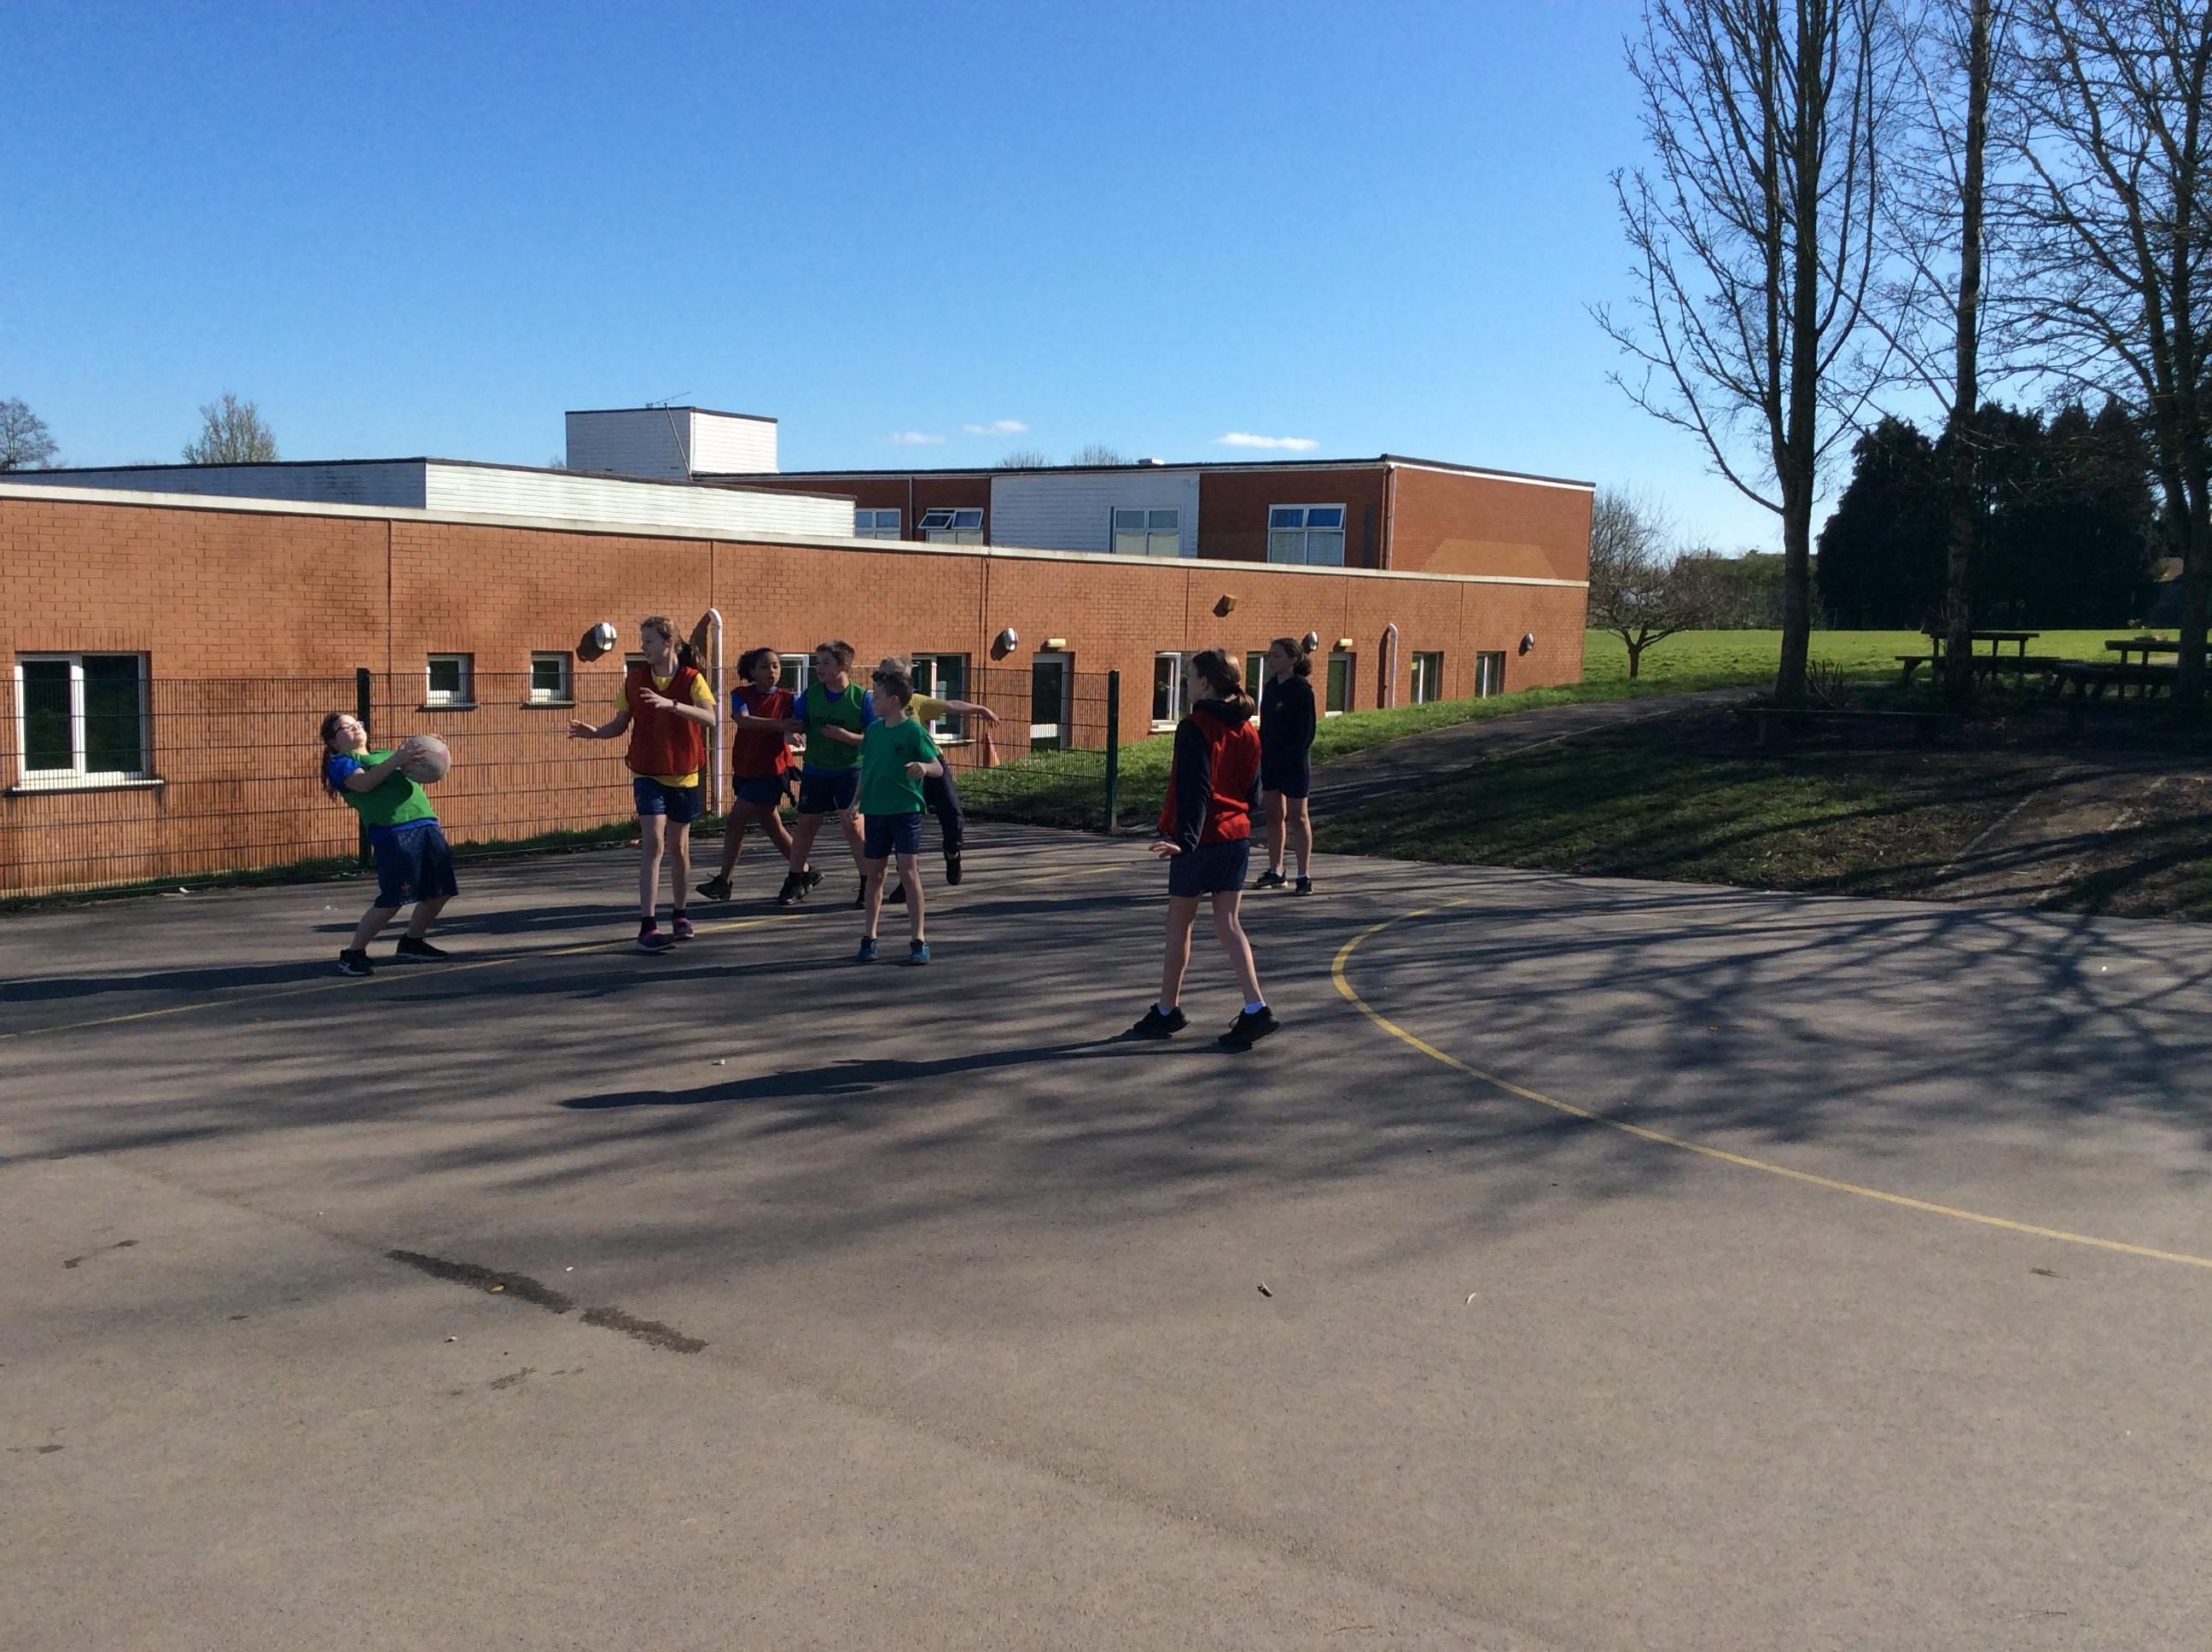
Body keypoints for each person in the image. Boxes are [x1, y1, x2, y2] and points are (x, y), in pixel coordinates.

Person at [1129, 649, 1278, 1049]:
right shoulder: (1248, 729)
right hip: (1236, 836)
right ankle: (1255, 1006)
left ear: (1206, 683)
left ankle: (1167, 1010)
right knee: (1228, 923)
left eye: (1190, 676)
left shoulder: (1195, 727)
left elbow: (1194, 787)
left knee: (1179, 923)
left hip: (1202, 841)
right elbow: (1253, 792)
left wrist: (1184, 840)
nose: (1187, 683)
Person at [569, 615, 718, 953]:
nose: (643, 647)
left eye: (649, 641)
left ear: (668, 643)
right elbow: (620, 723)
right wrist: (596, 733)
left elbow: (710, 718)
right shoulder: (634, 680)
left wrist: (672, 705)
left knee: (679, 847)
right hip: (647, 772)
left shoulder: (692, 679)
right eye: (642, 641)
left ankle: (680, 913)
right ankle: (647, 926)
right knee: (653, 843)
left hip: (683, 774)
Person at [734, 639, 874, 908]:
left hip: (849, 770)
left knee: (854, 826)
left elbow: (875, 739)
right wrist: (791, 734)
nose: (819, 667)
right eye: (817, 662)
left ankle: (868, 882)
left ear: (844, 666)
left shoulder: (862, 698)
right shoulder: (811, 695)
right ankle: (795, 878)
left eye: (826, 662)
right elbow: (795, 725)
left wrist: (847, 737)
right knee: (807, 825)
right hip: (817, 769)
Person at [320, 713, 457, 976]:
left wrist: (428, 749)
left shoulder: (384, 754)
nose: (355, 727)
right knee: (394, 898)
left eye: (357, 723)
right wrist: (398, 758)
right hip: (394, 834)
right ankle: (353, 954)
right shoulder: (342, 763)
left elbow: (418, 765)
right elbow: (363, 784)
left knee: (440, 891)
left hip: (426, 825)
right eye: (345, 727)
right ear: (333, 742)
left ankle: (412, 943)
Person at [695, 646, 819, 904]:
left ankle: (724, 880)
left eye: (776, 666)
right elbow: (744, 720)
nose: (772, 671)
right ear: (752, 671)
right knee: (773, 827)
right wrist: (779, 725)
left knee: (736, 819)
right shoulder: (740, 695)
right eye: (764, 667)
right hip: (746, 767)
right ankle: (806, 871)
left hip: (771, 770)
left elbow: (795, 724)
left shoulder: (787, 699)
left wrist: (789, 733)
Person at [872, 654, 999, 903]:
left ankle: (952, 852)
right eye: (881, 675)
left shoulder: (916, 703)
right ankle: (907, 880)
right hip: (902, 770)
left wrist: (979, 709)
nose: (882, 680)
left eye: (889, 675)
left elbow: (950, 705)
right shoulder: (876, 706)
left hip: (930, 763)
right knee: (904, 825)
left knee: (952, 811)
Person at [852, 663, 944, 964]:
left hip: (905, 812)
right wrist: (855, 802)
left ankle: (918, 938)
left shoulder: (913, 732)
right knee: (875, 874)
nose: (872, 700)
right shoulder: (873, 732)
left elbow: (937, 767)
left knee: (908, 872)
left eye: (876, 696)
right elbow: (867, 769)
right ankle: (870, 936)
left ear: (893, 701)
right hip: (876, 811)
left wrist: (924, 767)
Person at [1252, 635, 1318, 893]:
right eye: (1270, 655)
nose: (1271, 660)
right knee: (1273, 815)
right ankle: (1276, 871)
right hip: (1271, 761)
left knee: (1298, 816)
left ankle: (1304, 875)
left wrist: (1290, 756)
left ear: (1293, 659)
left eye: (1277, 655)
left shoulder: (1302, 689)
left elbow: (1307, 732)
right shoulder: (1270, 687)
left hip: (1295, 763)